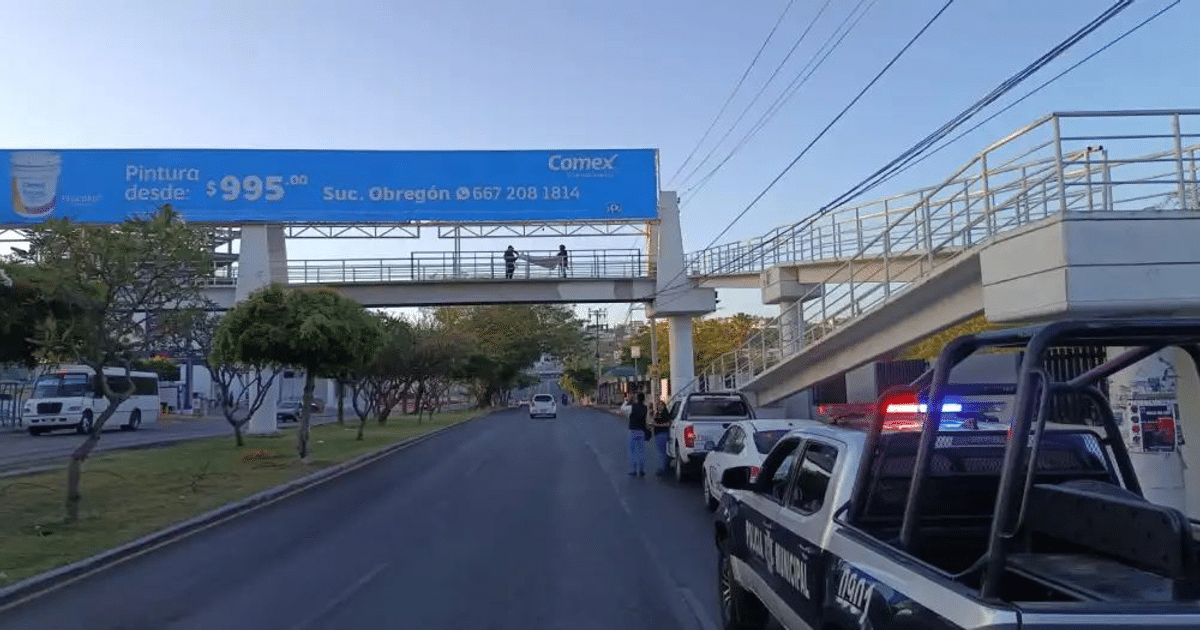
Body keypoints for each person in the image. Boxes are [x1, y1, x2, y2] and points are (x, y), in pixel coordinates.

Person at [620, 392, 649, 476]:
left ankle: (634, 470)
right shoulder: (645, 408)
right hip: (641, 431)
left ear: (636, 399)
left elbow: (622, 408)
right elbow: (646, 420)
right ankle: (641, 470)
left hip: (632, 430)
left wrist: (627, 401)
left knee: (632, 452)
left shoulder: (632, 407)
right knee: (641, 452)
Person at [650, 401, 672, 476]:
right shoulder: (657, 414)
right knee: (660, 451)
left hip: (663, 433)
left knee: (662, 452)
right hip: (657, 434)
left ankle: (663, 468)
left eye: (661, 405)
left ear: (664, 406)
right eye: (659, 405)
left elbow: (668, 424)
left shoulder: (665, 414)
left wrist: (657, 425)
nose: (660, 406)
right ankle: (664, 467)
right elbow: (653, 421)